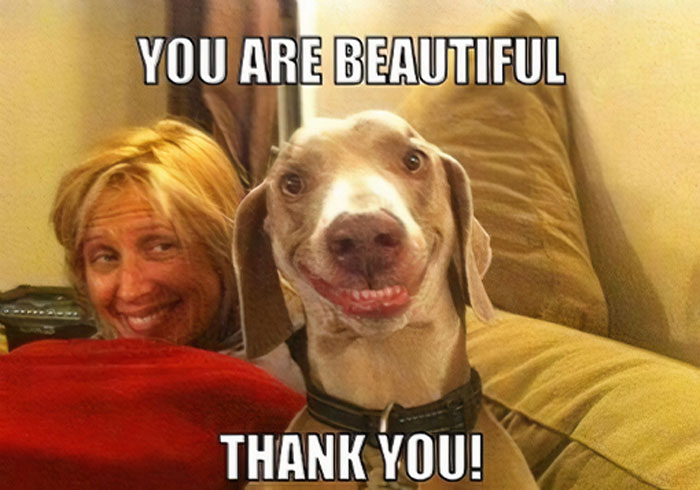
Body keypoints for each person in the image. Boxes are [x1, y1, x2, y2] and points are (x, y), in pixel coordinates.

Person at [51, 118, 304, 391]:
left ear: (226, 249)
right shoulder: (68, 383)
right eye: (106, 257)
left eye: (161, 247)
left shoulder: (316, 382)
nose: (131, 291)